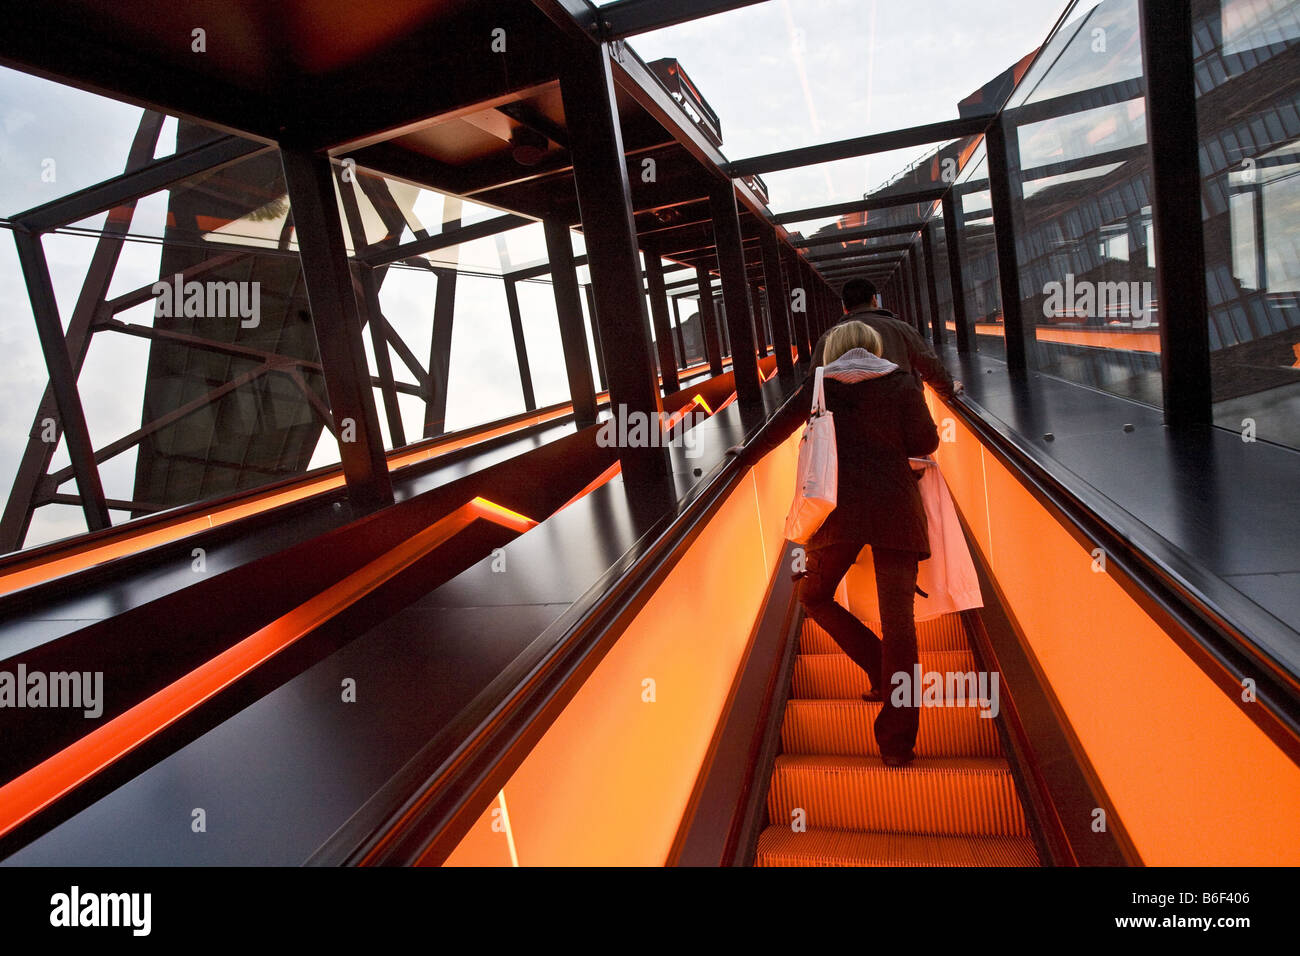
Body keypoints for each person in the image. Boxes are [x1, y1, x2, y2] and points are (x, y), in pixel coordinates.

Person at [795, 320, 940, 767]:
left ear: (832, 348)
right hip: (896, 506)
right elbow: (926, 441)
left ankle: (877, 666)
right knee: (900, 625)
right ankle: (897, 743)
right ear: (875, 346)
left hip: (838, 507)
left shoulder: (820, 385)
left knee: (813, 595)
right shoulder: (900, 382)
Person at [811, 277, 962, 400]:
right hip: (902, 414)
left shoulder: (828, 338)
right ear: (874, 300)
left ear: (844, 307)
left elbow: (814, 382)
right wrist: (948, 388)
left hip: (847, 425)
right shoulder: (901, 329)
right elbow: (929, 365)